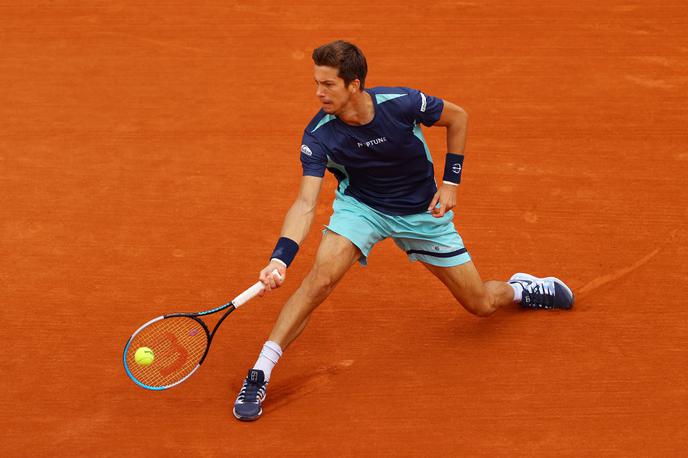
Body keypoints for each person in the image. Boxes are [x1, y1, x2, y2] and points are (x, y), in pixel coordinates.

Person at [232, 40, 573, 421]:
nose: (318, 93)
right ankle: (260, 371)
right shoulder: (319, 135)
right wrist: (280, 258)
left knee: (480, 304)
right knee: (320, 279)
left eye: (328, 85)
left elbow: (458, 118)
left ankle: (521, 288)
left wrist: (451, 183)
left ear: (354, 85)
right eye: (316, 83)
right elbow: (305, 204)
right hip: (362, 208)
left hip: (421, 211)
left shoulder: (402, 103)